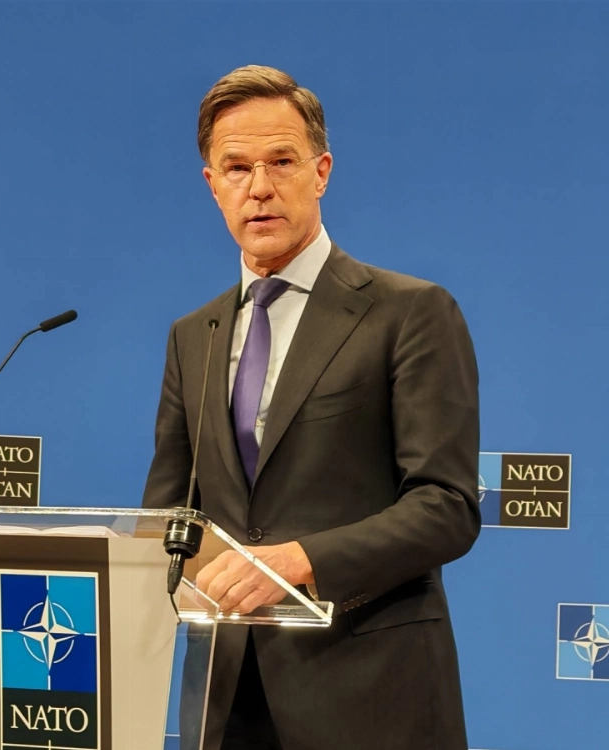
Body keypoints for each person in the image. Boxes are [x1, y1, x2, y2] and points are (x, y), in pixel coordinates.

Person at [141, 65, 481, 750]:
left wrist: (296, 560)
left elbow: (446, 506)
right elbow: (169, 520)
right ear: (211, 185)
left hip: (371, 695)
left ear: (321, 171)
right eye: (236, 167)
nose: (259, 187)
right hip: (226, 701)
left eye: (281, 162)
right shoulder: (192, 337)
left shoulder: (409, 313)